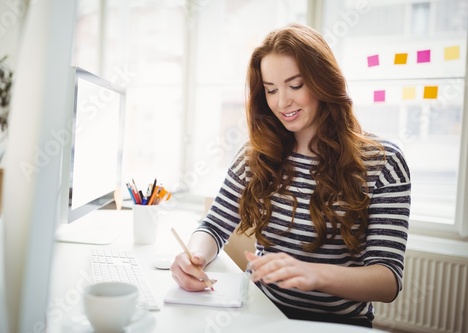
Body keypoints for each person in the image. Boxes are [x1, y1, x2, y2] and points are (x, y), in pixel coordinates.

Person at [170, 23, 411, 328]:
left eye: (295, 85)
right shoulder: (256, 154)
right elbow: (214, 225)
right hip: (259, 315)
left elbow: (387, 280)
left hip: (334, 325)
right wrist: (194, 257)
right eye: (271, 90)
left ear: (323, 82)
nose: (282, 102)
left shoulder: (383, 162)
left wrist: (313, 274)